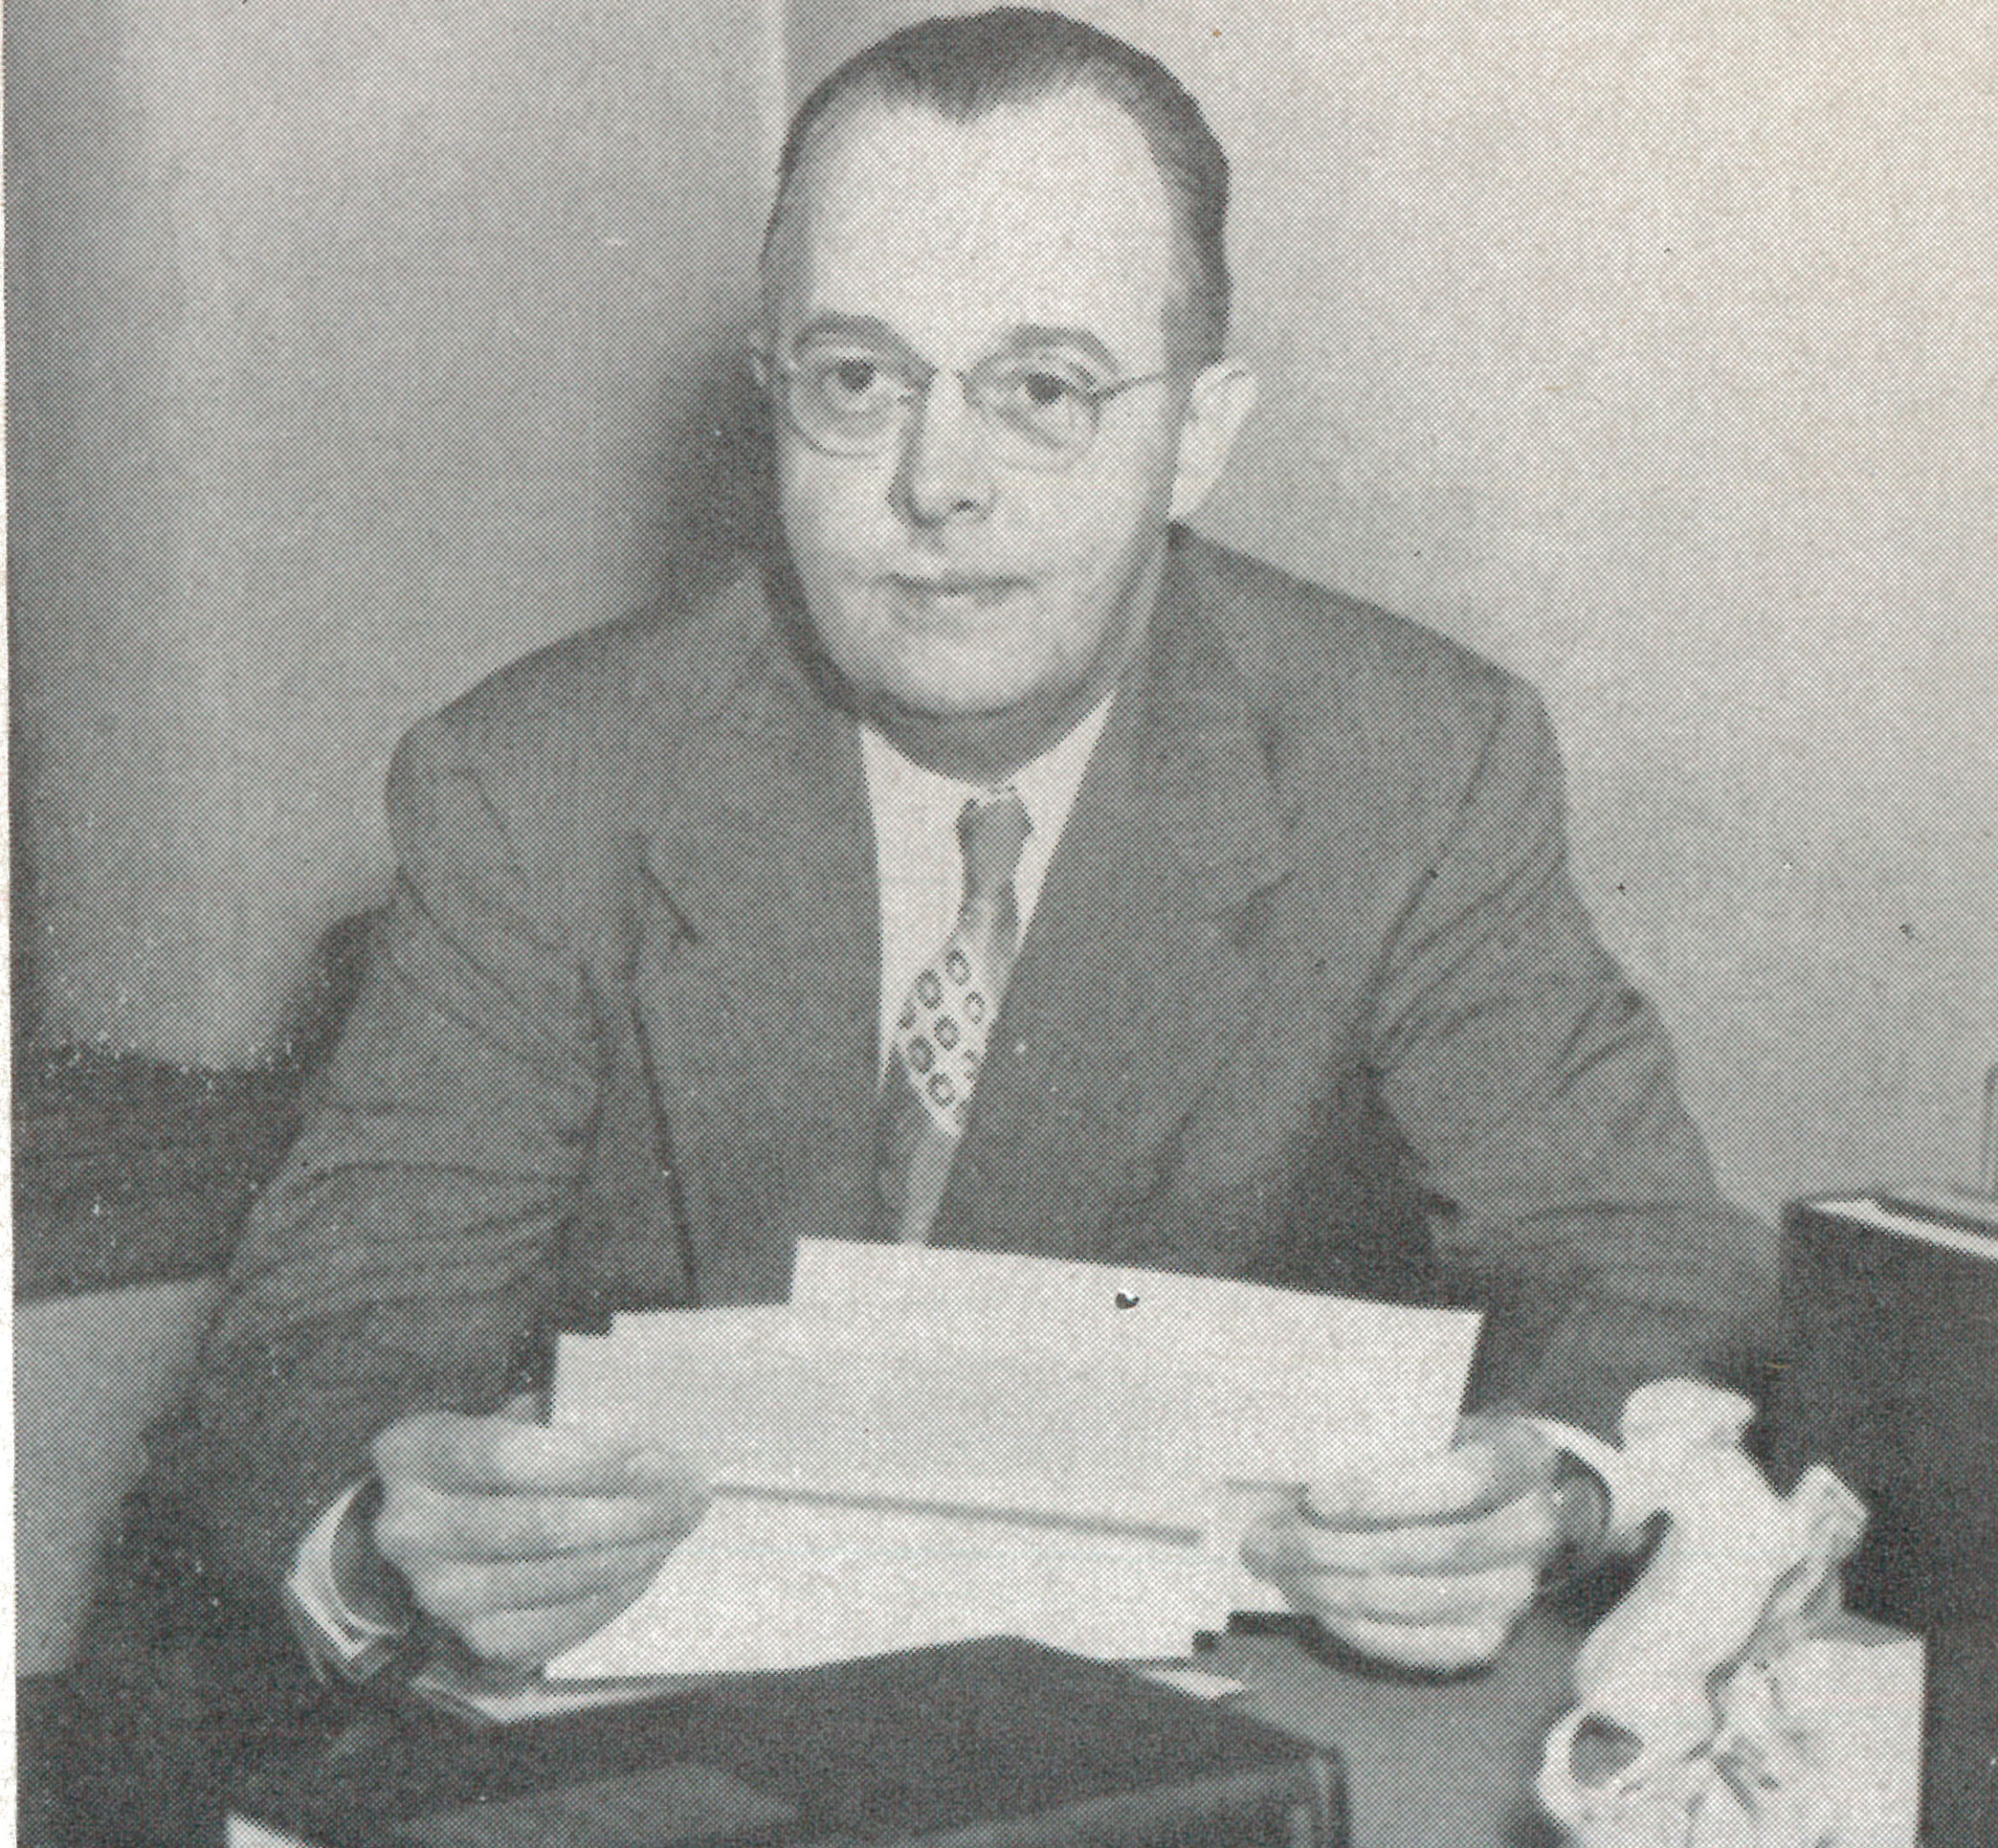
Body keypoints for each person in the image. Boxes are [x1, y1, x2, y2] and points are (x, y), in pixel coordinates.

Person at [72, 9, 1774, 1838]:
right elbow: (324, 1346)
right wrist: (392, 1536)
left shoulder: (1413, 762)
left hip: (1155, 1781)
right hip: (651, 1771)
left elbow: (1646, 1254)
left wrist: (1549, 1479)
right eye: (862, 379)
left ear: (1199, 437)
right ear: (770, 395)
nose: (936, 487)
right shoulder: (538, 783)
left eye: (1044, 385)